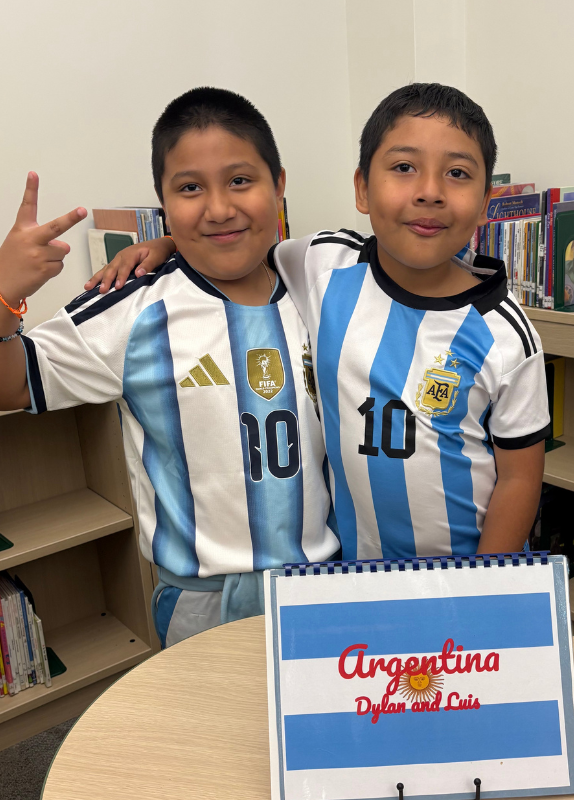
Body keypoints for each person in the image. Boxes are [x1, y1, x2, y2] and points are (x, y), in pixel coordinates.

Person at [89, 83, 549, 561]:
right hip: (347, 573)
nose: (429, 192)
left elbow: (520, 478)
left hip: (461, 575)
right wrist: (167, 245)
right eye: (404, 167)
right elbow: (238, 246)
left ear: (485, 199)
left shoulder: (506, 335)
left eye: (457, 173)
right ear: (362, 188)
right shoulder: (324, 265)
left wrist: (484, 583)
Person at [0, 88, 339, 647]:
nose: (218, 207)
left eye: (240, 181)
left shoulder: (319, 281)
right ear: (163, 201)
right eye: (190, 188)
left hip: (323, 582)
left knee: (318, 731)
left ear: (279, 184)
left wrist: (175, 240)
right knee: (207, 736)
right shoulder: (133, 308)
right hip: (203, 601)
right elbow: (4, 386)